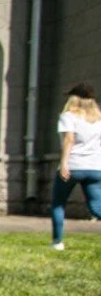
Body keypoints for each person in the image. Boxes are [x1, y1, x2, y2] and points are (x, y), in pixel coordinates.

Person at [50, 82, 101, 250]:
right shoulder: (99, 119)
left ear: (74, 99)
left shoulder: (68, 117)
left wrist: (64, 164)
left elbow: (69, 139)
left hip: (74, 165)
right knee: (95, 207)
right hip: (95, 168)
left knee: (58, 204)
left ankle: (57, 242)